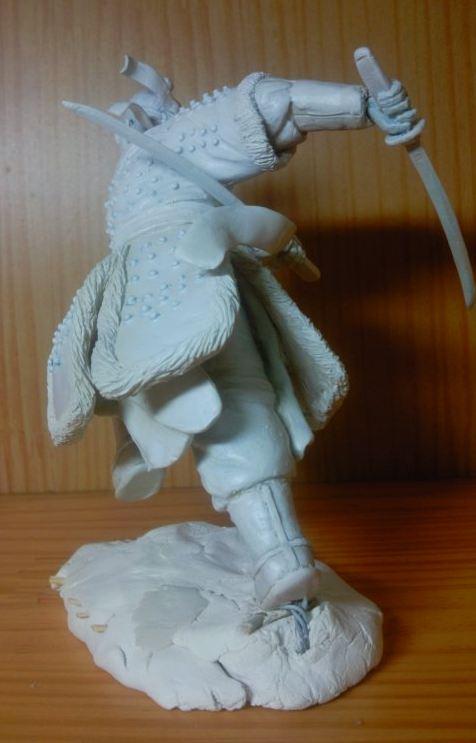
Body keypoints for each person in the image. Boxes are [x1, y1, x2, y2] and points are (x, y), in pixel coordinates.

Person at [48, 58, 414, 609]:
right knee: (190, 408)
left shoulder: (174, 137)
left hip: (197, 280)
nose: (132, 116)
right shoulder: (131, 172)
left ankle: (282, 558)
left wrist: (362, 106)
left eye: (142, 109)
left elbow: (266, 106)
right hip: (142, 302)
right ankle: (279, 555)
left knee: (233, 404)